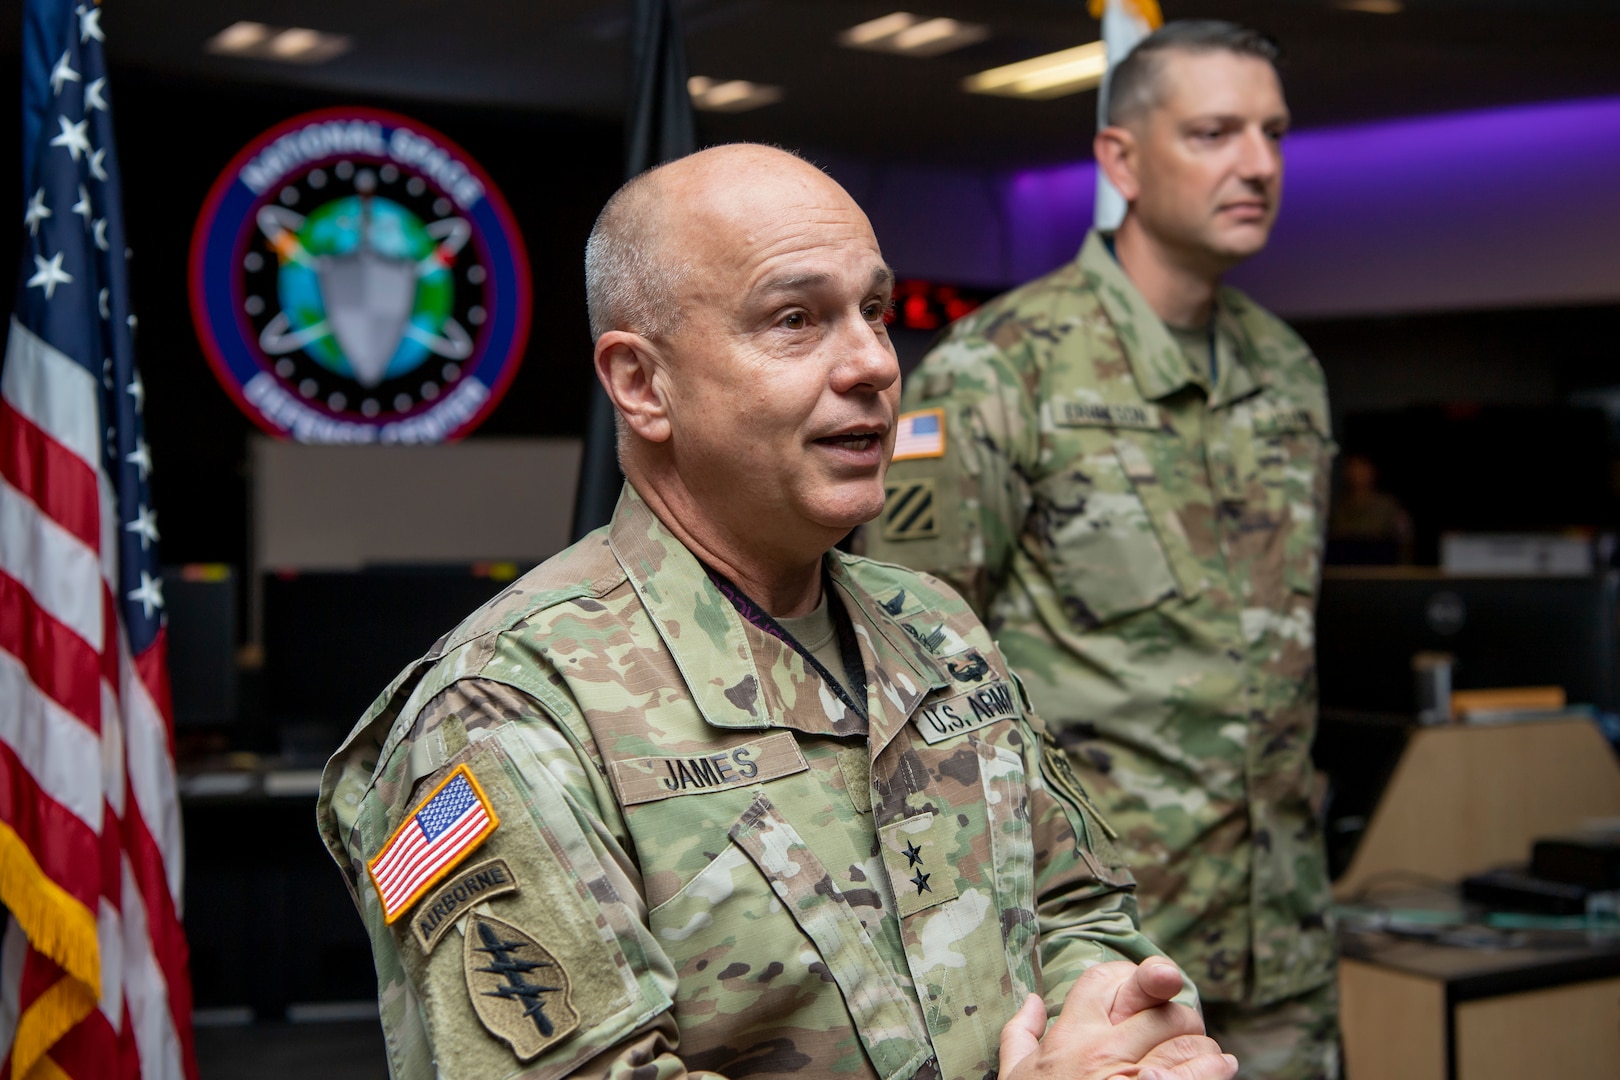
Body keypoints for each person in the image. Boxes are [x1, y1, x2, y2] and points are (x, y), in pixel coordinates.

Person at [316, 143, 1237, 1080]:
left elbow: (1080, 915)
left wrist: (1116, 1041)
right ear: (642, 384)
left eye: (874, 312)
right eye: (796, 320)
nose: (875, 362)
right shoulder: (504, 709)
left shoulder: (935, 627)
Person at [861, 22, 1339, 1080]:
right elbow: (909, 677)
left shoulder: (1290, 376)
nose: (1256, 163)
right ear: (1120, 159)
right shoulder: (1003, 371)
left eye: (1271, 133)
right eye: (1214, 132)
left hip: (1285, 944)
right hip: (1100, 963)